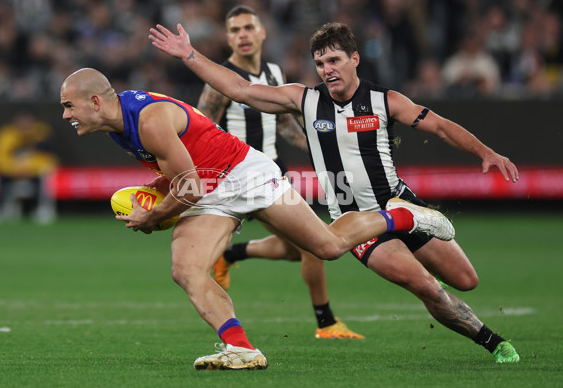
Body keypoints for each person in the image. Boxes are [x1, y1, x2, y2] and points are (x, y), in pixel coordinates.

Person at [148, 21, 520, 363]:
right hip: (353, 223)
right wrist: (190, 55)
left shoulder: (384, 101)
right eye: (321, 63)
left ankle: (411, 219)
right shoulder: (305, 100)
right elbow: (240, 89)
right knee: (425, 286)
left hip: (399, 201)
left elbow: (437, 125)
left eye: (335, 60)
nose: (327, 69)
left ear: (355, 59)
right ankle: (493, 342)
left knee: (466, 281)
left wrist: (485, 152)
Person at [60, 67, 453, 370]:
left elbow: (190, 186)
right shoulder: (117, 124)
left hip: (245, 174)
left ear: (95, 102)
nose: (65, 115)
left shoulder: (148, 120)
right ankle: (241, 349)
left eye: (68, 106)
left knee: (328, 247)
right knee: (186, 269)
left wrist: (154, 216)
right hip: (211, 188)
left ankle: (401, 215)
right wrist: (160, 193)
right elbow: (183, 176)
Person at [198, 5, 362, 340]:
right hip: (239, 177)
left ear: (262, 33)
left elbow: (285, 124)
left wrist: (322, 152)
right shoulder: (221, 82)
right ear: (227, 38)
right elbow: (198, 128)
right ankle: (326, 323)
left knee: (294, 249)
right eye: (234, 30)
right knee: (315, 244)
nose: (242, 35)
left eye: (248, 27)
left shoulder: (273, 72)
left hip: (273, 171)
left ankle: (231, 254)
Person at [0, 111, 58, 224]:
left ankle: (40, 210)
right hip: (12, 172)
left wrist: (29, 169)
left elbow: (48, 158)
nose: (24, 124)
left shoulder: (41, 134)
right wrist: (14, 170)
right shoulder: (7, 135)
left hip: (33, 172)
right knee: (0, 179)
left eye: (27, 121)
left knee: (42, 180)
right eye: (21, 121)